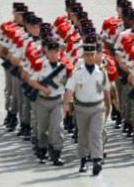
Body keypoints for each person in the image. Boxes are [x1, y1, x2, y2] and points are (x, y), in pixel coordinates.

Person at [64, 39, 111, 176]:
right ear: (83, 56)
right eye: (87, 55)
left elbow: (106, 90)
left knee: (96, 134)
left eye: (92, 54)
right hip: (82, 108)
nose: (90, 57)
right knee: (83, 135)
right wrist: (66, 105)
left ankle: (97, 159)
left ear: (96, 55)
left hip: (97, 107)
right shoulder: (78, 72)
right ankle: (83, 160)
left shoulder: (101, 72)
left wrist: (108, 106)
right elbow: (69, 89)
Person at [27, 39, 68, 166]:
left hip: (57, 101)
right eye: (51, 52)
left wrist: (67, 102)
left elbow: (68, 84)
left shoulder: (64, 67)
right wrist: (42, 88)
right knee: (43, 129)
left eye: (56, 52)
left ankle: (56, 153)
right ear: (47, 52)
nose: (54, 55)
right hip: (42, 101)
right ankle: (42, 150)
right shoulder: (40, 65)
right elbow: (31, 80)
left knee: (57, 127)